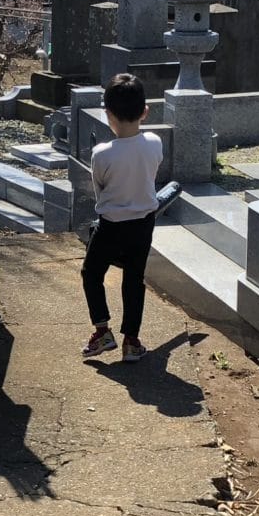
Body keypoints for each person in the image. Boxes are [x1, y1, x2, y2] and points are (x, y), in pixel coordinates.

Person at [82, 74, 165, 361]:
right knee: (134, 279)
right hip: (143, 224)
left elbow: (100, 190)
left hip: (111, 226)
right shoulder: (154, 143)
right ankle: (132, 340)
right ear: (145, 111)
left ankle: (102, 330)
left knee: (92, 273)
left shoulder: (102, 154)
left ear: (108, 114)